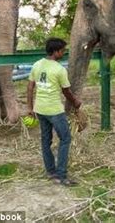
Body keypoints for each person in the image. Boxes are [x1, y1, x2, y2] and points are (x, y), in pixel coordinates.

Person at [27, 37, 82, 186]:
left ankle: (50, 171)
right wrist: (76, 102)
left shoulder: (37, 65)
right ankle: (62, 175)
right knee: (65, 139)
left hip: (40, 109)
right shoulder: (59, 69)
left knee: (46, 140)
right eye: (62, 50)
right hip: (55, 111)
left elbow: (30, 87)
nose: (63, 53)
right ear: (56, 51)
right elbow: (67, 92)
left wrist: (30, 108)